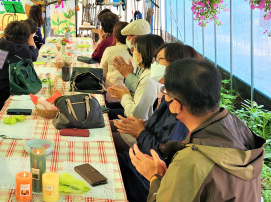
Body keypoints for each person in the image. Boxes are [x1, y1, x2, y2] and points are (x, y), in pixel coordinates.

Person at [129, 59, 265, 202]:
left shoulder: (190, 162)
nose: (163, 96)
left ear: (176, 105)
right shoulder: (238, 128)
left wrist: (154, 177)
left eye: (166, 92)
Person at [113, 43, 198, 202]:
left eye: (159, 60)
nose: (155, 65)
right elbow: (158, 132)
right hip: (138, 158)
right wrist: (142, 126)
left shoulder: (182, 107)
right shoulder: (169, 93)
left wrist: (140, 132)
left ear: (176, 65)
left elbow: (162, 156)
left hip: (145, 176)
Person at [107, 34, 164, 123]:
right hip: (135, 110)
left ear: (142, 54)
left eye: (135, 50)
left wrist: (124, 96)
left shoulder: (149, 78)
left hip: (138, 125)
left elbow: (135, 115)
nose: (133, 52)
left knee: (104, 114)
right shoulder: (146, 70)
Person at [0, 21, 37, 110]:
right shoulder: (24, 51)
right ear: (25, 35)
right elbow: (29, 75)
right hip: (17, 94)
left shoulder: (1, 46)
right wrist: (31, 44)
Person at [113, 19, 151, 93]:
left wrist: (128, 74)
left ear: (135, 38)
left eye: (127, 36)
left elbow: (142, 89)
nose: (126, 39)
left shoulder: (146, 57)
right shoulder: (144, 52)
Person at [101, 22, 132, 102]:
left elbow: (102, 74)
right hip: (130, 96)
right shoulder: (134, 51)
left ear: (115, 36)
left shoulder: (109, 50)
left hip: (111, 95)